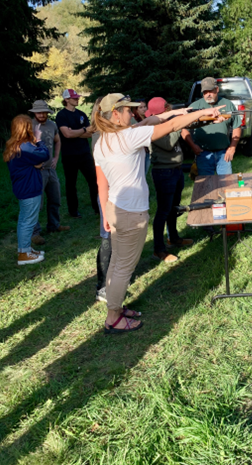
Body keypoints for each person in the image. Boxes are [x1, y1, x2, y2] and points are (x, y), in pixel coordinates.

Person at [93, 93, 224, 334]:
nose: (133, 115)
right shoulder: (128, 138)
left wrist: (181, 112)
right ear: (115, 114)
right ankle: (113, 316)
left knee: (116, 264)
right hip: (131, 213)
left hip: (114, 209)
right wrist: (201, 113)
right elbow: (169, 126)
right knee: (124, 267)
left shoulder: (103, 141)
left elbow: (102, 184)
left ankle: (116, 307)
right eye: (128, 111)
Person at [147, 97, 193, 264]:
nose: (170, 108)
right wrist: (178, 124)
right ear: (164, 109)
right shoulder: (152, 126)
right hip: (163, 171)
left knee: (173, 208)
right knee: (163, 211)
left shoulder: (166, 121)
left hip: (175, 169)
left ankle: (173, 238)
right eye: (168, 107)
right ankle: (159, 250)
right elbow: (168, 143)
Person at [3, 115, 50, 265]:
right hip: (29, 188)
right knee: (28, 221)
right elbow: (44, 155)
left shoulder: (14, 146)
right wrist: (39, 139)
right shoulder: (26, 146)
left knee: (25, 219)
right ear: (26, 128)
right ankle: (24, 254)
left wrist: (35, 164)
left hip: (22, 187)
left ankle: (26, 249)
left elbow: (34, 162)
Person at [27, 99, 70, 245]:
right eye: (38, 112)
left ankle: (54, 225)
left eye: (44, 112)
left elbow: (58, 141)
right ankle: (34, 233)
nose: (41, 114)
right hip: (35, 171)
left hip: (51, 169)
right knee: (36, 203)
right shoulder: (29, 126)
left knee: (55, 198)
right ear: (34, 113)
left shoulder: (52, 125)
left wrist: (56, 157)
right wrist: (32, 163)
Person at [181, 77, 242, 176]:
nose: (208, 94)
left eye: (211, 91)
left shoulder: (228, 105)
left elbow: (237, 126)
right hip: (203, 154)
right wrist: (193, 146)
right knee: (205, 186)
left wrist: (233, 147)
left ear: (217, 89)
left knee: (226, 183)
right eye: (205, 92)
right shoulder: (194, 107)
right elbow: (183, 128)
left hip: (223, 154)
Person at [56, 89, 99, 218]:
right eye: (74, 98)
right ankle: (73, 211)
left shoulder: (81, 114)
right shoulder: (61, 115)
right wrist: (83, 130)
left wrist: (77, 132)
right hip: (69, 155)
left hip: (84, 153)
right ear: (66, 100)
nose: (77, 99)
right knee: (71, 184)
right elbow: (67, 134)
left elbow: (90, 133)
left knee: (94, 180)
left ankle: (97, 207)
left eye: (77, 97)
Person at [91, 97, 111, 303]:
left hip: (118, 192)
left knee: (114, 239)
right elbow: (102, 177)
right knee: (108, 239)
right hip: (108, 191)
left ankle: (114, 279)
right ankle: (102, 286)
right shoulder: (100, 136)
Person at [131, 99, 150, 175]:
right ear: (136, 109)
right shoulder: (134, 120)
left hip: (147, 150)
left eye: (145, 106)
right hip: (140, 150)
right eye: (141, 107)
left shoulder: (147, 118)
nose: (144, 109)